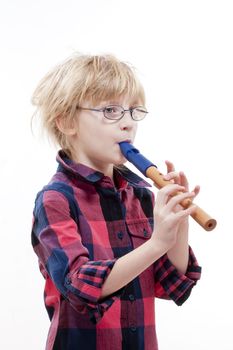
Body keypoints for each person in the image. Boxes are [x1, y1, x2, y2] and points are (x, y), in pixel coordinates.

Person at [31, 52, 202, 350]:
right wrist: (157, 242)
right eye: (111, 110)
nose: (127, 124)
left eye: (133, 111)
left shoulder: (140, 195)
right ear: (67, 121)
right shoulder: (55, 199)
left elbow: (170, 283)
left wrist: (178, 222)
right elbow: (81, 286)